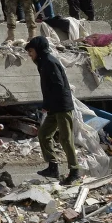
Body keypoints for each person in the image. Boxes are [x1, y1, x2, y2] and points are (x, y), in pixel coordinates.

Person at [25, 36, 80, 185]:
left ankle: (75, 171)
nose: (30, 55)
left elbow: (58, 86)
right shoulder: (42, 62)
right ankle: (53, 166)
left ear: (38, 50)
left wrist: (49, 104)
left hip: (61, 106)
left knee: (65, 139)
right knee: (43, 134)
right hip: (53, 107)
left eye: (31, 51)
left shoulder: (50, 62)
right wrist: (48, 105)